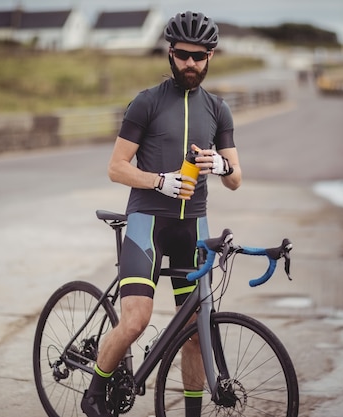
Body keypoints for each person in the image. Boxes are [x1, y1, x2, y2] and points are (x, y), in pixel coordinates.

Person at [80, 11, 242, 417]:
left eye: (200, 56)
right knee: (135, 321)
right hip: (147, 224)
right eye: (184, 55)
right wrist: (159, 181)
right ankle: (94, 393)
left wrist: (220, 166)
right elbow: (116, 167)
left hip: (194, 229)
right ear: (170, 54)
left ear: (210, 57)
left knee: (193, 333)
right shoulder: (147, 102)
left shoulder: (218, 109)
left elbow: (236, 177)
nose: (191, 63)